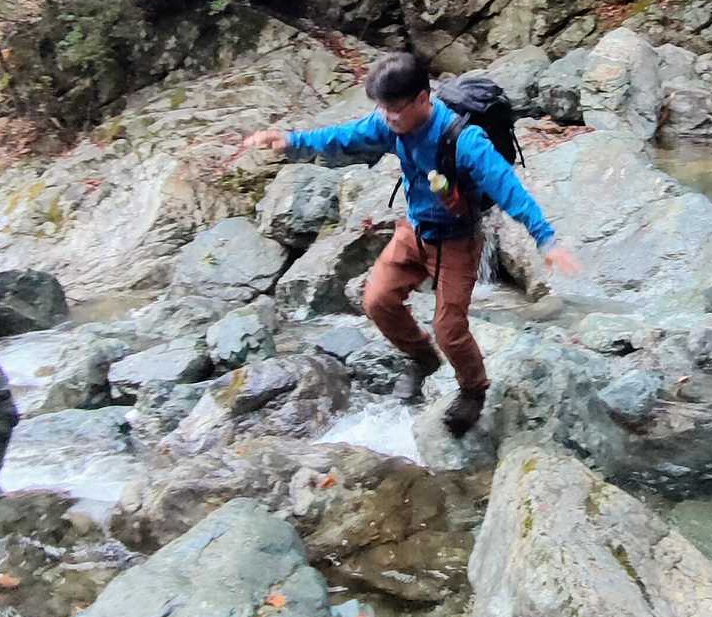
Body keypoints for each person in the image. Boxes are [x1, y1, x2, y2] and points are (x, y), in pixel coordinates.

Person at [242, 52, 580, 435]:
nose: (386, 117)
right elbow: (343, 136)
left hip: (457, 241)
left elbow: (507, 187)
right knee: (377, 301)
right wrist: (290, 140)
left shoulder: (465, 140)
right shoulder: (390, 123)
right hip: (413, 231)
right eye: (382, 108)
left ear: (423, 98)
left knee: (449, 329)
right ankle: (422, 358)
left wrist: (545, 239)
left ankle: (474, 389)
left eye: (394, 109)